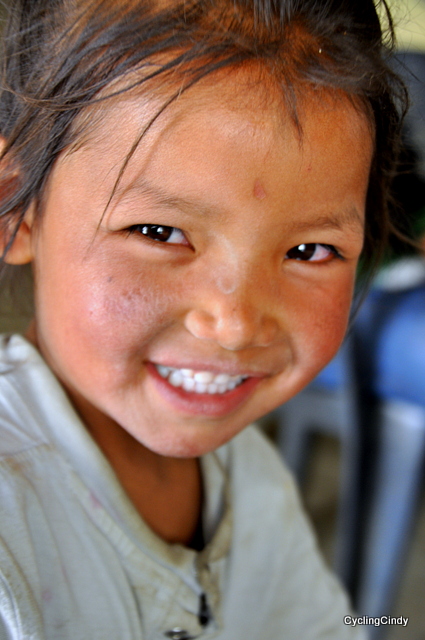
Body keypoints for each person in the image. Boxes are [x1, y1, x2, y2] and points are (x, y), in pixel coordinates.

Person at [0, 0, 406, 638]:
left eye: (309, 251)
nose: (235, 324)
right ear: (17, 209)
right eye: (160, 232)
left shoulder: (254, 481)